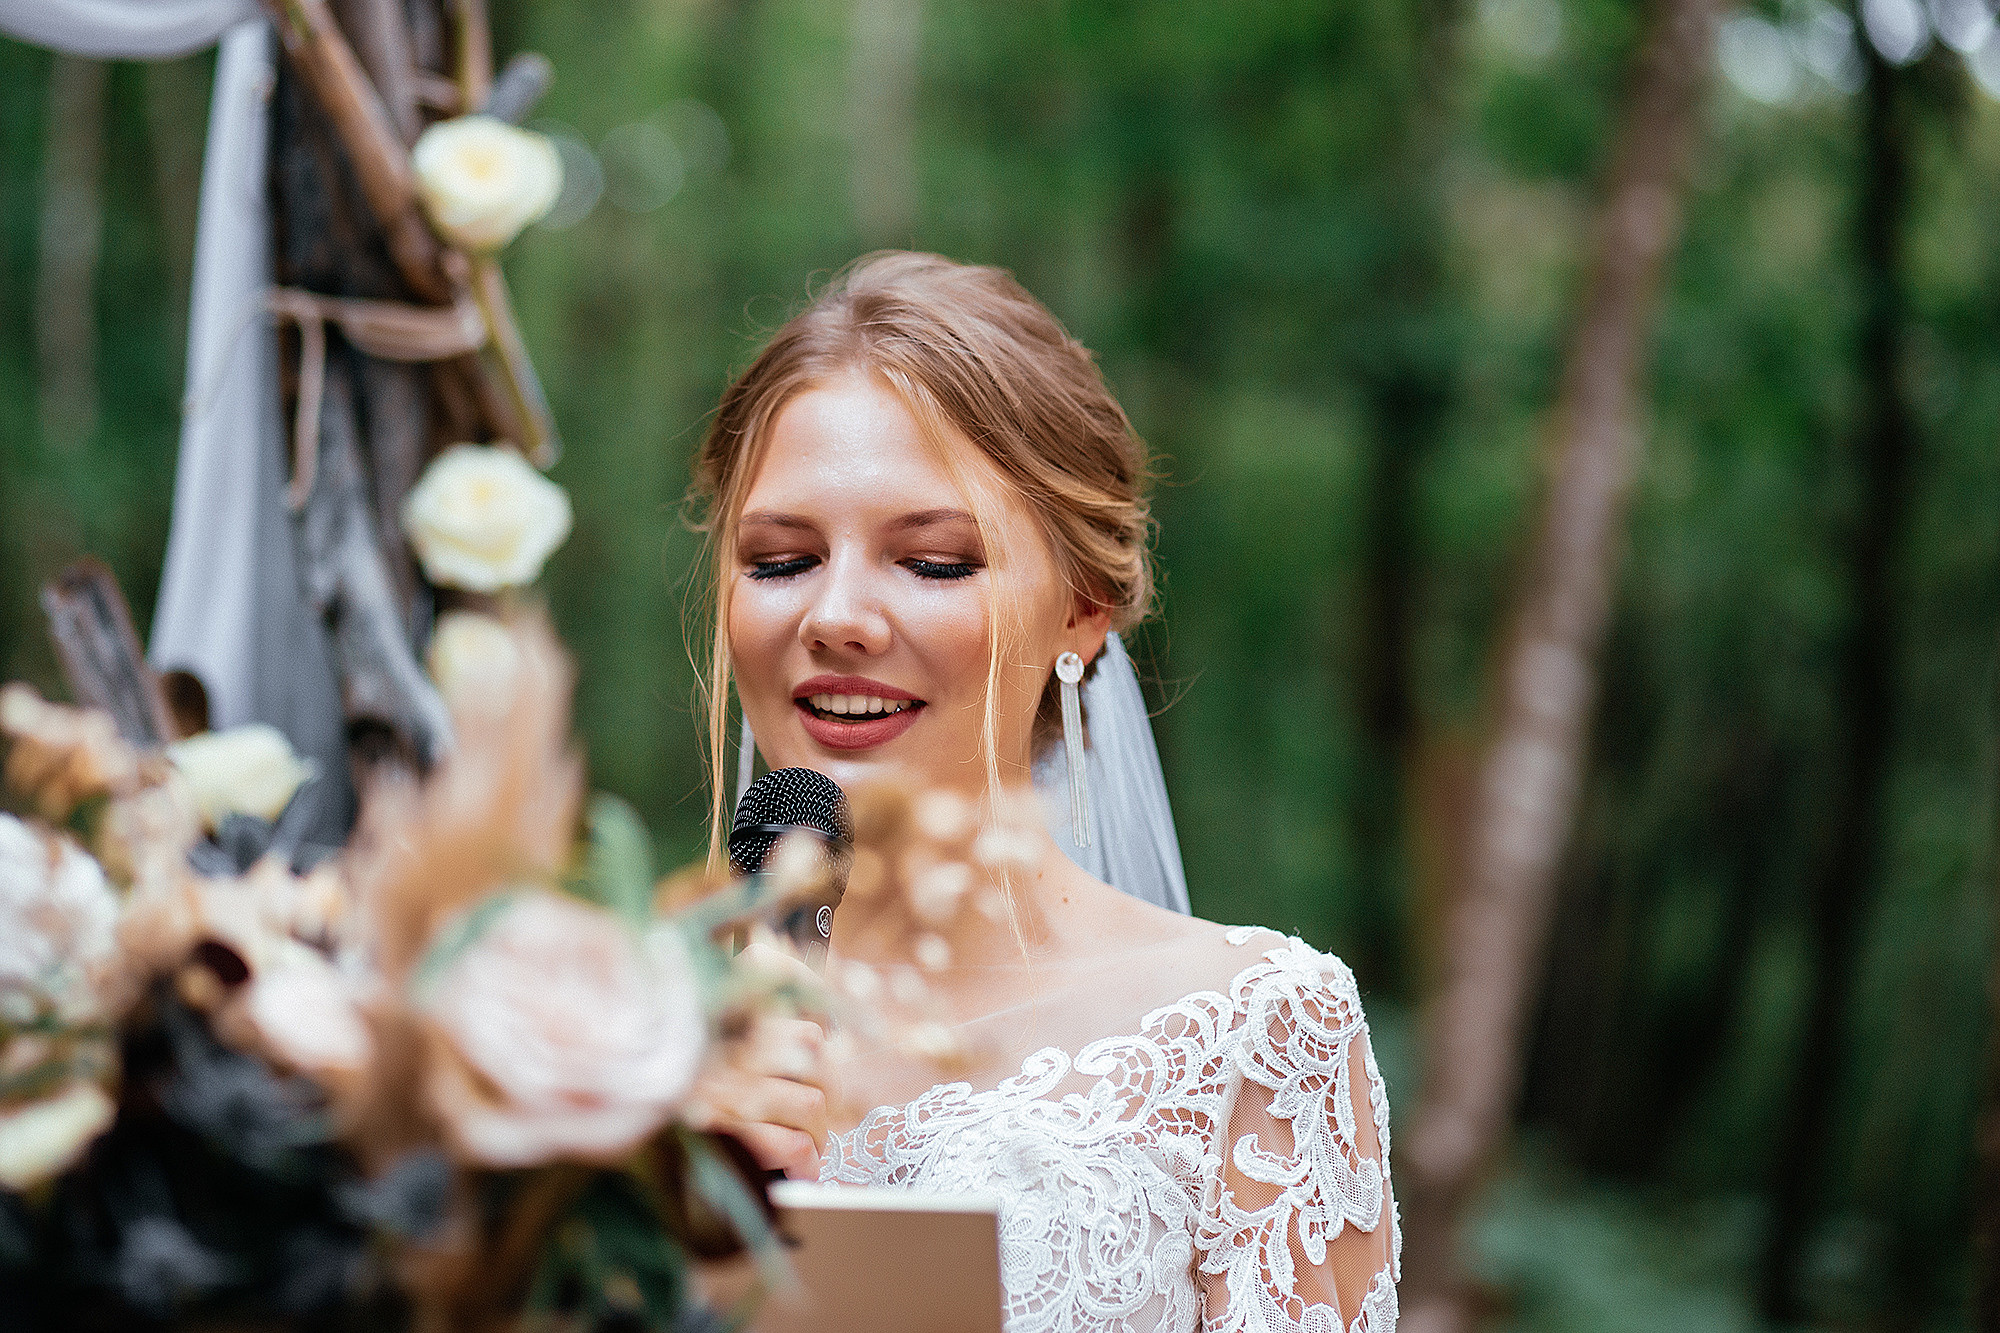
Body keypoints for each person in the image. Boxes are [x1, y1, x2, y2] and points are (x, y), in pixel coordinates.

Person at [685, 252, 1398, 1333]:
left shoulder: (1256, 1032)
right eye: (781, 560)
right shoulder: (601, 1036)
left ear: (1082, 607)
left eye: (930, 563)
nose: (834, 616)